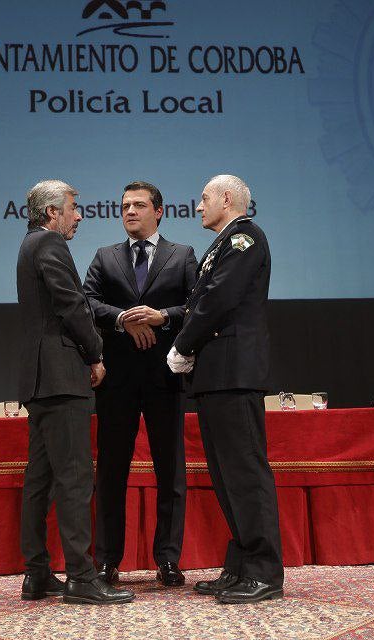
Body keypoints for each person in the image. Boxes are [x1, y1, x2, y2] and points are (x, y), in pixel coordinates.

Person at [16, 179, 134, 605]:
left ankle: (36, 573)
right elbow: (71, 305)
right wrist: (95, 353)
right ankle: (82, 578)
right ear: (52, 213)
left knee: (41, 477)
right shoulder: (50, 245)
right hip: (62, 376)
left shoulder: (29, 244)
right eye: (73, 208)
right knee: (74, 479)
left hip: (39, 379)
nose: (79, 216)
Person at [167, 174, 284, 604]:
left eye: (203, 199)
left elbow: (217, 299)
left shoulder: (245, 239)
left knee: (246, 474)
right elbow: (204, 298)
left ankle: (265, 571)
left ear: (227, 199)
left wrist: (182, 343)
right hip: (216, 375)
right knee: (225, 476)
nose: (198, 207)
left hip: (235, 372)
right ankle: (240, 566)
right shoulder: (223, 242)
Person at [82, 181, 197, 587]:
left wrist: (161, 316)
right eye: (125, 206)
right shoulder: (104, 256)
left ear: (159, 211)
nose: (130, 211)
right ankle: (107, 560)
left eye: (139, 205)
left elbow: (196, 305)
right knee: (111, 471)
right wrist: (125, 319)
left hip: (166, 377)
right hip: (117, 381)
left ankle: (168, 559)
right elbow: (87, 301)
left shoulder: (182, 255)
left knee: (171, 471)